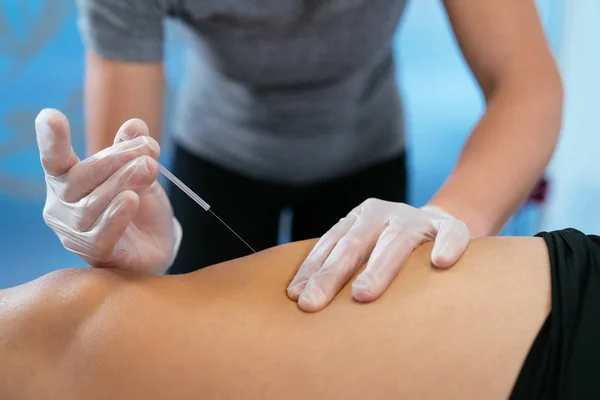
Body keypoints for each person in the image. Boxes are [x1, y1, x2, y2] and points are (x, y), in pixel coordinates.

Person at [41, 0, 563, 312]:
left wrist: (448, 216)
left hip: (366, 153)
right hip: (217, 155)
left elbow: (525, 83)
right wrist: (118, 224)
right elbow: (123, 164)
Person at [1, 227, 599, 399]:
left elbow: (523, 80)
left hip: (361, 137)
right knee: (71, 330)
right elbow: (61, 336)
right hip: (226, 148)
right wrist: (114, 216)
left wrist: (437, 222)